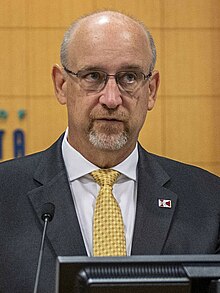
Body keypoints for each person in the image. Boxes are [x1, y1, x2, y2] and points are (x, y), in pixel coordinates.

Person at [0, 10, 219, 293]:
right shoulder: (5, 194)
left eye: (129, 77)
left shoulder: (209, 202)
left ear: (151, 90)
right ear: (61, 85)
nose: (112, 99)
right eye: (93, 76)